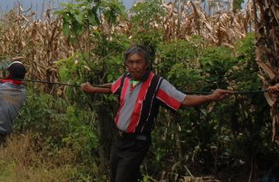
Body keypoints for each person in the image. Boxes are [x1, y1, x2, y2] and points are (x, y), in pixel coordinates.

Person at [81, 45, 232, 182]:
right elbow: (114, 86)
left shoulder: (157, 84)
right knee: (116, 177)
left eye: (138, 62)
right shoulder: (126, 78)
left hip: (136, 143)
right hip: (119, 140)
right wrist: (93, 89)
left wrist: (211, 97)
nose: (134, 66)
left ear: (147, 64)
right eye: (130, 62)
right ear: (126, 64)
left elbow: (184, 100)